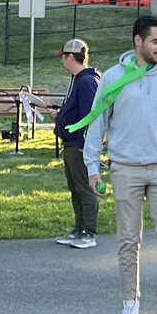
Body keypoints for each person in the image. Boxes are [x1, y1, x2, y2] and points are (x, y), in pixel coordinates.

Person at [84, 15, 157, 314]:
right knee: (127, 241)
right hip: (124, 168)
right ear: (138, 41)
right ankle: (129, 305)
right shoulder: (112, 78)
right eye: (156, 41)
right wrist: (92, 166)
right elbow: (97, 123)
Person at [52, 38, 101, 250]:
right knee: (75, 188)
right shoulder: (78, 79)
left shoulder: (86, 82)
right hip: (71, 143)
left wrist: (85, 144)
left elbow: (91, 116)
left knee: (84, 189)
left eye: (64, 56)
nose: (62, 60)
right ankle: (79, 228)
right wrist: (61, 115)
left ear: (71, 57)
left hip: (79, 145)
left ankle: (88, 232)